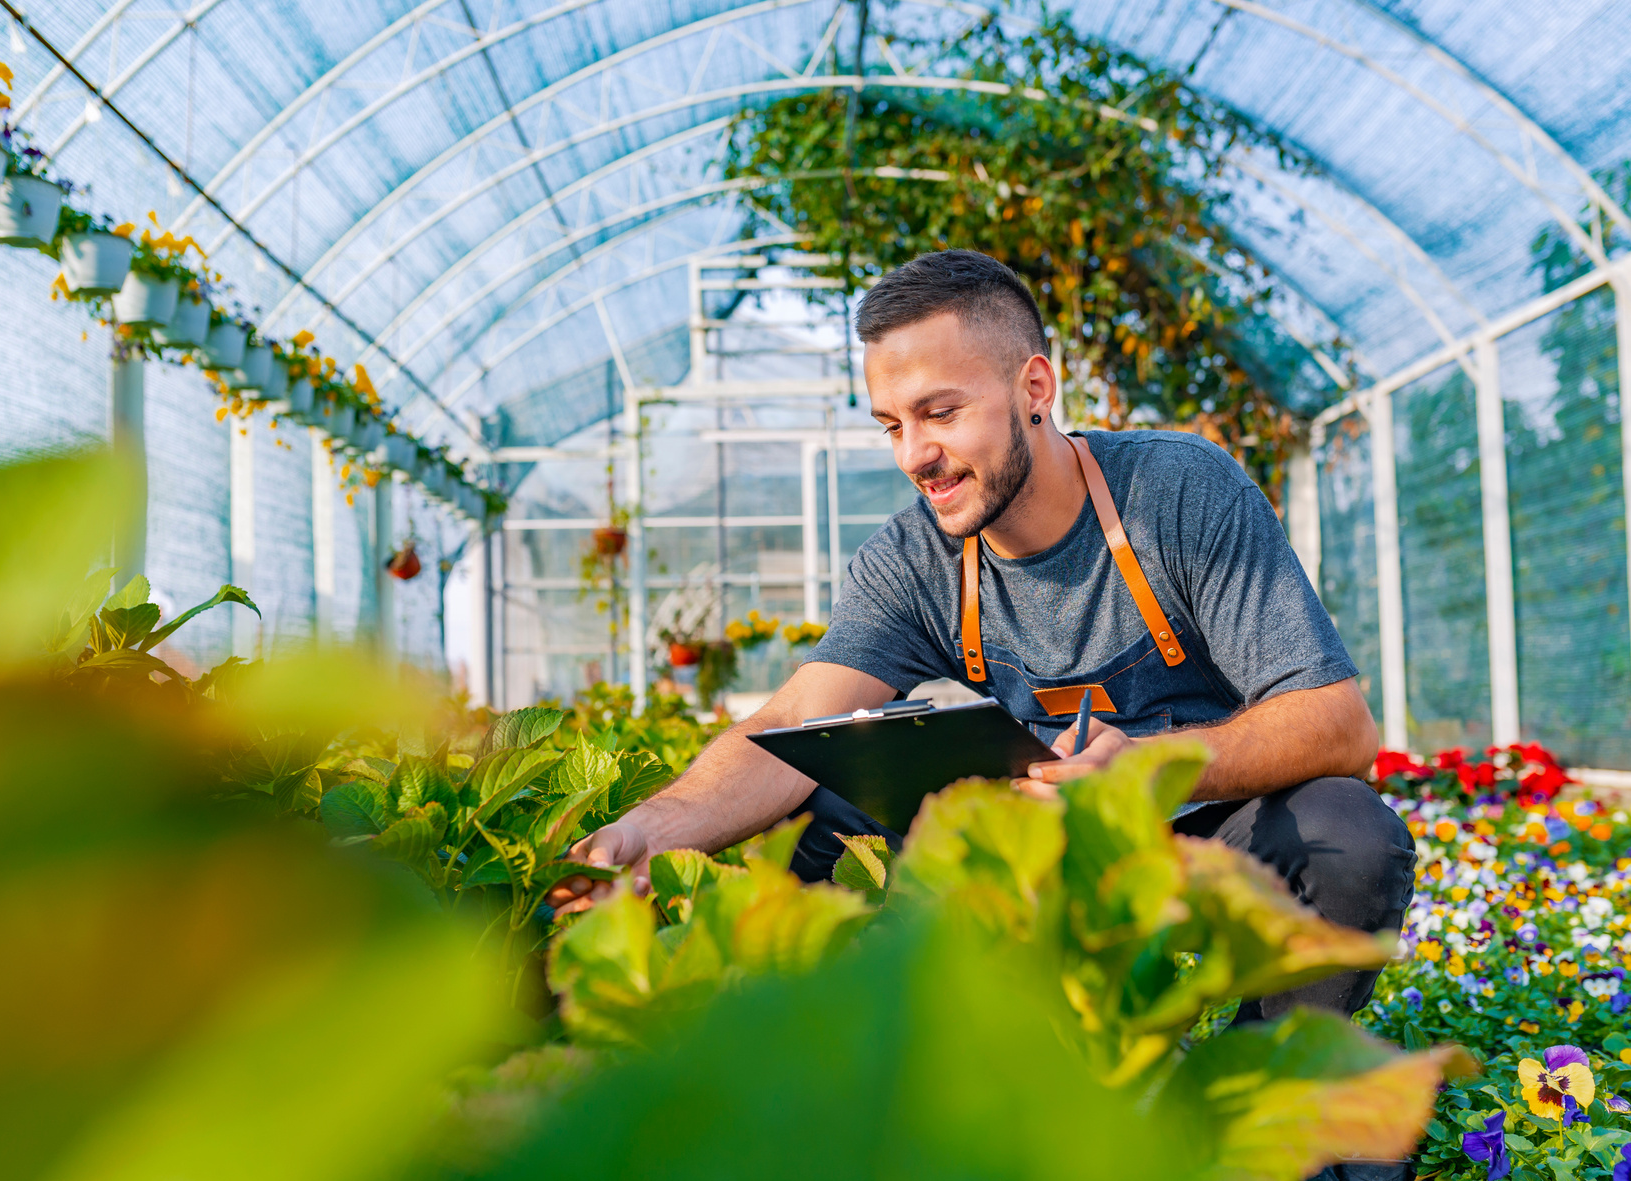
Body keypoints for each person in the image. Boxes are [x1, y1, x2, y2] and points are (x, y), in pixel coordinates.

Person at [549, 248, 1415, 1022]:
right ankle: (863, 1074)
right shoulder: (914, 556)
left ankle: (1295, 1141)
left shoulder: (1177, 493)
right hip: (1027, 849)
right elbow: (787, 730)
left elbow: (1338, 723)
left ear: (1033, 389)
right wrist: (651, 831)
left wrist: (1143, 767)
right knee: (818, 809)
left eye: (939, 412)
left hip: (1191, 833)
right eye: (892, 424)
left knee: (1348, 831)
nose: (912, 454)